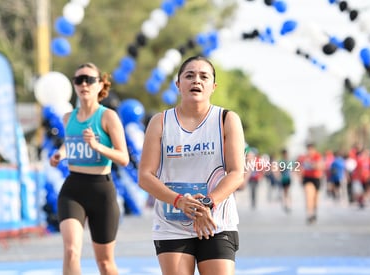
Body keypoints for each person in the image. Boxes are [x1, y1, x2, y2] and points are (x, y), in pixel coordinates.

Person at [138, 56, 245, 275]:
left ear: (213, 86)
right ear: (178, 84)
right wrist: (179, 201)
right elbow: (145, 176)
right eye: (189, 75)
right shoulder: (160, 122)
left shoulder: (226, 119)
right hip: (172, 223)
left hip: (216, 222)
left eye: (204, 76)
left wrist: (207, 204)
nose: (196, 80)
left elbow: (236, 173)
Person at [49, 62, 129, 275]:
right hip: (73, 189)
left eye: (89, 79)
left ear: (100, 84)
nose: (84, 84)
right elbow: (71, 142)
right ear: (74, 85)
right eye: (79, 80)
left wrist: (97, 146)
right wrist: (61, 154)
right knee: (71, 250)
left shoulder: (108, 116)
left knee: (104, 263)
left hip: (101, 190)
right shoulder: (69, 118)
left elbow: (124, 158)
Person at [297, 142, 324, 224]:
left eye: (311, 149)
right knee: (309, 195)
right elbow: (300, 168)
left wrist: (312, 165)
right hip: (307, 178)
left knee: (315, 198)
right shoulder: (303, 158)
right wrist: (300, 177)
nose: (309, 151)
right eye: (308, 149)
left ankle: (314, 211)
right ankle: (309, 214)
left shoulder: (317, 156)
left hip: (316, 178)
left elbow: (321, 166)